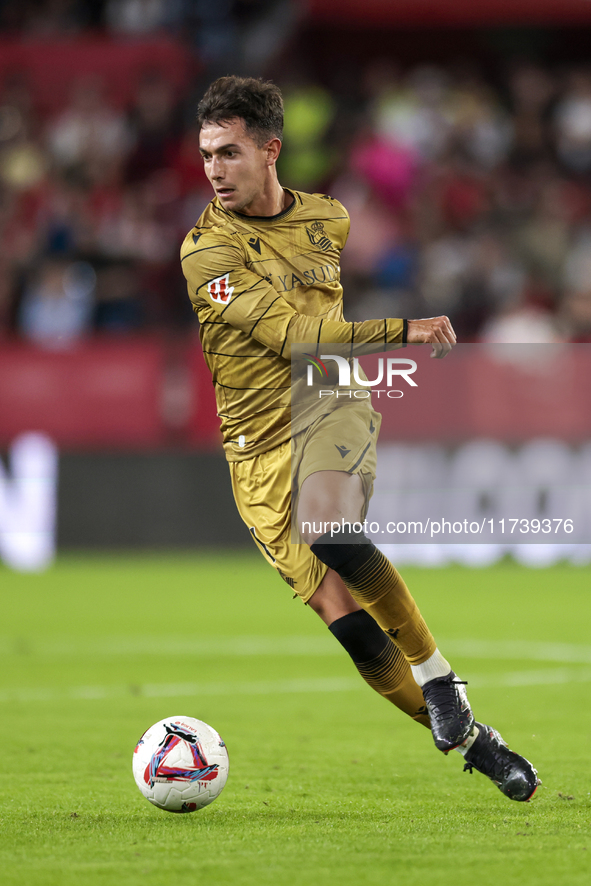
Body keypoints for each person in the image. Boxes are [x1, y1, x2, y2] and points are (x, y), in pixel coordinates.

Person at [181, 76, 539, 802]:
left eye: (229, 153)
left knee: (331, 530)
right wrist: (397, 329)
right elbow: (288, 335)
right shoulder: (205, 254)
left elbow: (316, 348)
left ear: (270, 150)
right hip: (253, 447)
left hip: (327, 396)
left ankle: (439, 680)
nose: (214, 170)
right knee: (344, 623)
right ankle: (475, 740)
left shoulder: (328, 220)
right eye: (206, 155)